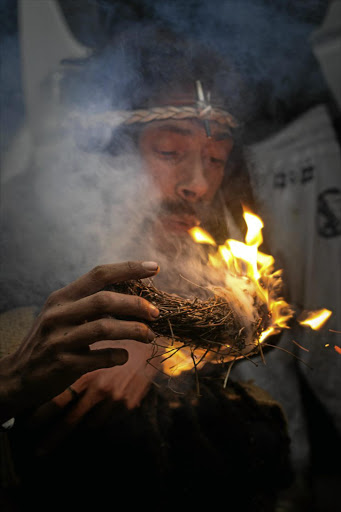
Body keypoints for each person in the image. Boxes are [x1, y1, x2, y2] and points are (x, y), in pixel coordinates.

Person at [0, 24, 293, 511]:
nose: (198, 184)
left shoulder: (219, 235)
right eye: (170, 153)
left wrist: (158, 344)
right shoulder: (25, 241)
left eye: (215, 158)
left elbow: (267, 319)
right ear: (113, 153)